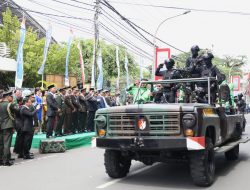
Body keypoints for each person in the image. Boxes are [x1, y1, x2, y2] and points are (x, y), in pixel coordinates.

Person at [0, 91, 19, 166]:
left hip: (0, 125)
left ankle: (1, 159)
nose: (12, 98)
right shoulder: (9, 104)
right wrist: (14, 102)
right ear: (8, 97)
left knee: (1, 144)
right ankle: (6, 160)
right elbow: (17, 110)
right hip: (8, 125)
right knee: (7, 144)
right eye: (11, 96)